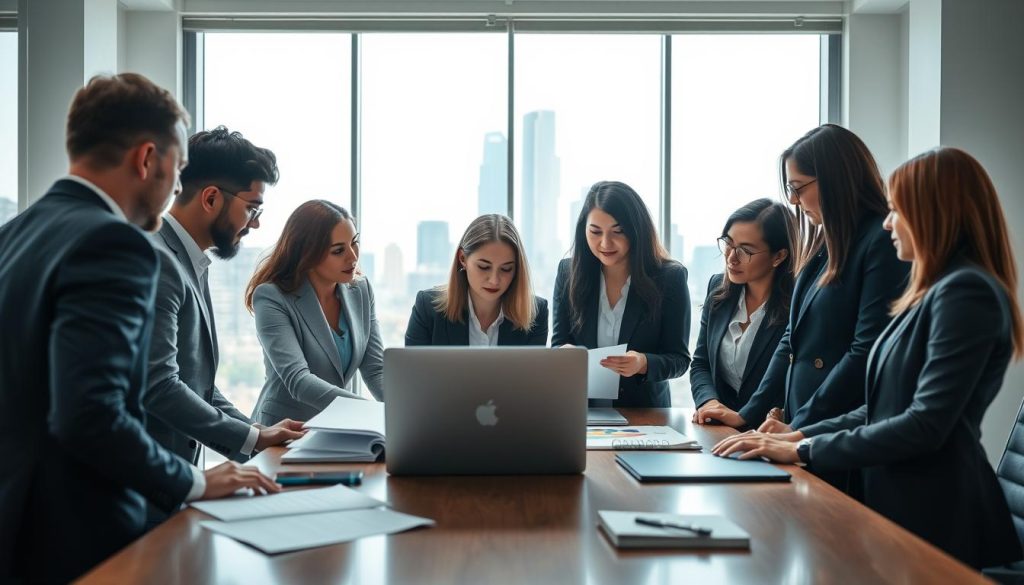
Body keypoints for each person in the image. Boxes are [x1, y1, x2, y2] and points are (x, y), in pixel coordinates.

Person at [0, 73, 278, 584]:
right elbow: (91, 414)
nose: (176, 187)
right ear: (147, 159)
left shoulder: (11, 234)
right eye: (175, 168)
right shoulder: (114, 244)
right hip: (82, 536)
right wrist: (194, 482)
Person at [712, 147, 1023, 570]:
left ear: (934, 214)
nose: (889, 222)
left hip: (937, 514)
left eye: (898, 211)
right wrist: (798, 438)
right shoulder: (931, 292)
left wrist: (807, 450)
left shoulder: (967, 293)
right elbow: (879, 408)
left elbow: (924, 424)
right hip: (897, 500)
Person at [701, 125, 909, 436]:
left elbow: (865, 352)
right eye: (789, 189)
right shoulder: (824, 244)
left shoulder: (879, 242)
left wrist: (800, 425)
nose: (794, 200)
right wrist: (748, 415)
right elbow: (791, 342)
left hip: (838, 427)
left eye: (799, 187)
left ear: (835, 180)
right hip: (805, 423)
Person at [144, 127, 303, 523]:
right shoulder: (159, 262)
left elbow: (196, 381)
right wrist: (251, 437)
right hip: (145, 488)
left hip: (170, 488)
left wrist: (255, 432)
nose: (256, 224)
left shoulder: (189, 261)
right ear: (211, 197)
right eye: (252, 208)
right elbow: (161, 386)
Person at [552, 180, 691, 408]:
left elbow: (679, 359)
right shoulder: (568, 273)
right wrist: (562, 353)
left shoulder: (669, 278)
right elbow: (559, 343)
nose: (605, 243)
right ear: (583, 231)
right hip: (581, 411)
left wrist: (643, 362)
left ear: (637, 231)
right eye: (595, 232)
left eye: (618, 232)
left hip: (645, 414)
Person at [247, 200, 384, 424]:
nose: (353, 256)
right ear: (308, 254)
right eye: (338, 250)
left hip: (338, 430)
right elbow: (299, 381)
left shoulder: (360, 290)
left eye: (354, 242)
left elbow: (375, 369)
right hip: (284, 433)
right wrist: (368, 413)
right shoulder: (272, 297)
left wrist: (402, 413)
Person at [690, 199, 796, 423]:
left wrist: (744, 417)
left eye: (746, 250)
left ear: (779, 256)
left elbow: (783, 378)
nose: (731, 257)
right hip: (719, 429)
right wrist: (709, 402)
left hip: (771, 432)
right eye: (728, 243)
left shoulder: (797, 303)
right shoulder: (719, 290)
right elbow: (701, 362)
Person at [405, 214, 548, 346]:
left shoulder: (535, 313)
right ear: (462, 259)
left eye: (506, 269)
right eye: (484, 267)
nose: (494, 280)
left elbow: (532, 374)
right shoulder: (427, 308)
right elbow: (411, 372)